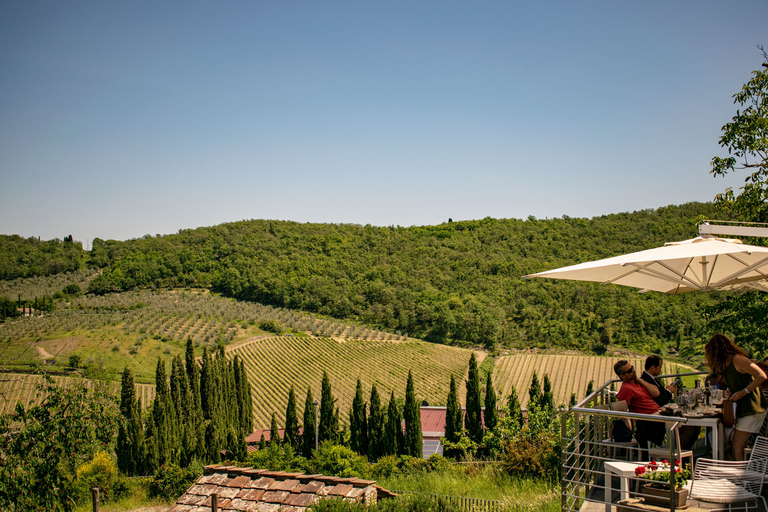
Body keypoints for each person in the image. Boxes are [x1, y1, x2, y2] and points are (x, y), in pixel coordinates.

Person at [705, 333, 768, 460]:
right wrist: (731, 390)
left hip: (753, 408)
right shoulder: (727, 364)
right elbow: (740, 380)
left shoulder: (737, 359)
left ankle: (740, 477)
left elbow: (762, 376)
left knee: (737, 444)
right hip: (745, 409)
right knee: (736, 443)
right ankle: (741, 472)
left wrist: (744, 391)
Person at [641, 355, 700, 449]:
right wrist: (668, 391)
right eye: (659, 368)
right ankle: (678, 454)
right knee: (691, 428)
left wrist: (667, 390)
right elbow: (658, 400)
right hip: (655, 419)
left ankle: (680, 451)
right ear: (653, 368)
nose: (660, 371)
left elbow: (659, 395)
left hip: (661, 414)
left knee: (695, 427)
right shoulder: (645, 381)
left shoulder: (651, 379)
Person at [614, 360, 664, 454]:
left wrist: (639, 380)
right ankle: (675, 458)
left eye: (632, 368)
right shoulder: (626, 389)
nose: (633, 371)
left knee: (688, 427)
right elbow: (621, 411)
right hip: (651, 421)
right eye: (629, 371)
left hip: (658, 416)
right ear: (622, 376)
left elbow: (656, 393)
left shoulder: (637, 383)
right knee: (684, 427)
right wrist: (631, 428)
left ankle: (675, 456)